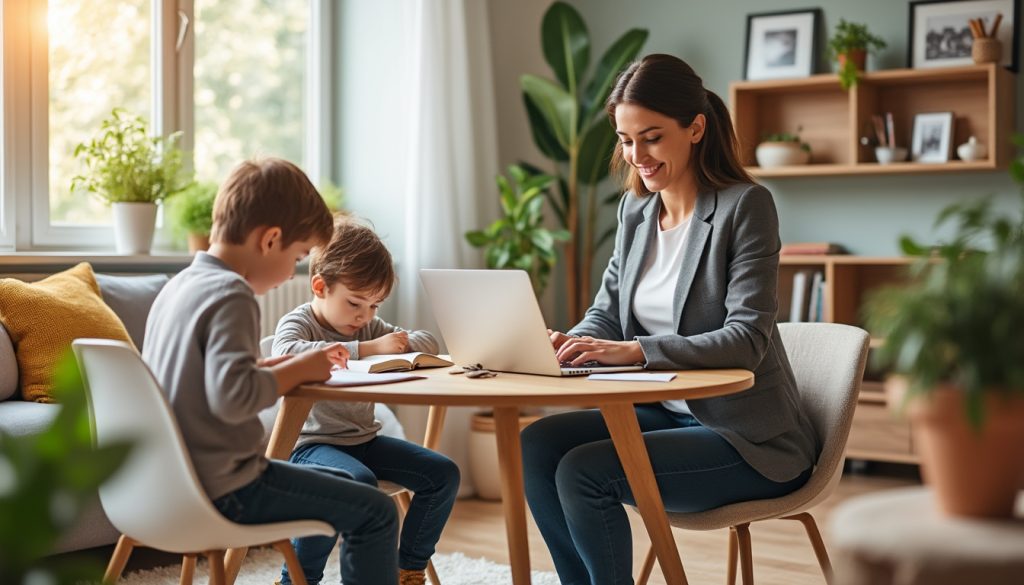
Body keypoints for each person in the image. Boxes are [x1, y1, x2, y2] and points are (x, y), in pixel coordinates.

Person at [521, 54, 820, 585]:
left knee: (584, 472)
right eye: (626, 140)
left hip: (744, 440)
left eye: (652, 137)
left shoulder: (745, 207)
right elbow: (607, 314)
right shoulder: (635, 212)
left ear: (696, 128)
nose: (637, 155)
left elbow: (746, 338)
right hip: (669, 415)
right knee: (539, 443)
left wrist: (638, 351)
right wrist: (574, 342)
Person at [143, 158, 400, 585]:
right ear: (270, 240)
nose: (294, 271)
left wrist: (270, 366)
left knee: (342, 480)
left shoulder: (180, 285)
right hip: (225, 488)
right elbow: (234, 397)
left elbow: (201, 380)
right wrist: (300, 368)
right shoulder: (232, 295)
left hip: (167, 483)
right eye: (299, 256)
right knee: (375, 510)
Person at [273, 218, 460, 585]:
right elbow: (285, 352)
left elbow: (425, 341)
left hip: (364, 442)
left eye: (375, 306)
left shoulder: (366, 324)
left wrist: (403, 343)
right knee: (356, 483)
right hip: (312, 447)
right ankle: (297, 578)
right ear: (320, 286)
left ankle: (407, 569)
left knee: (443, 475)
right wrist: (368, 349)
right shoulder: (301, 324)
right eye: (356, 303)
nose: (365, 316)